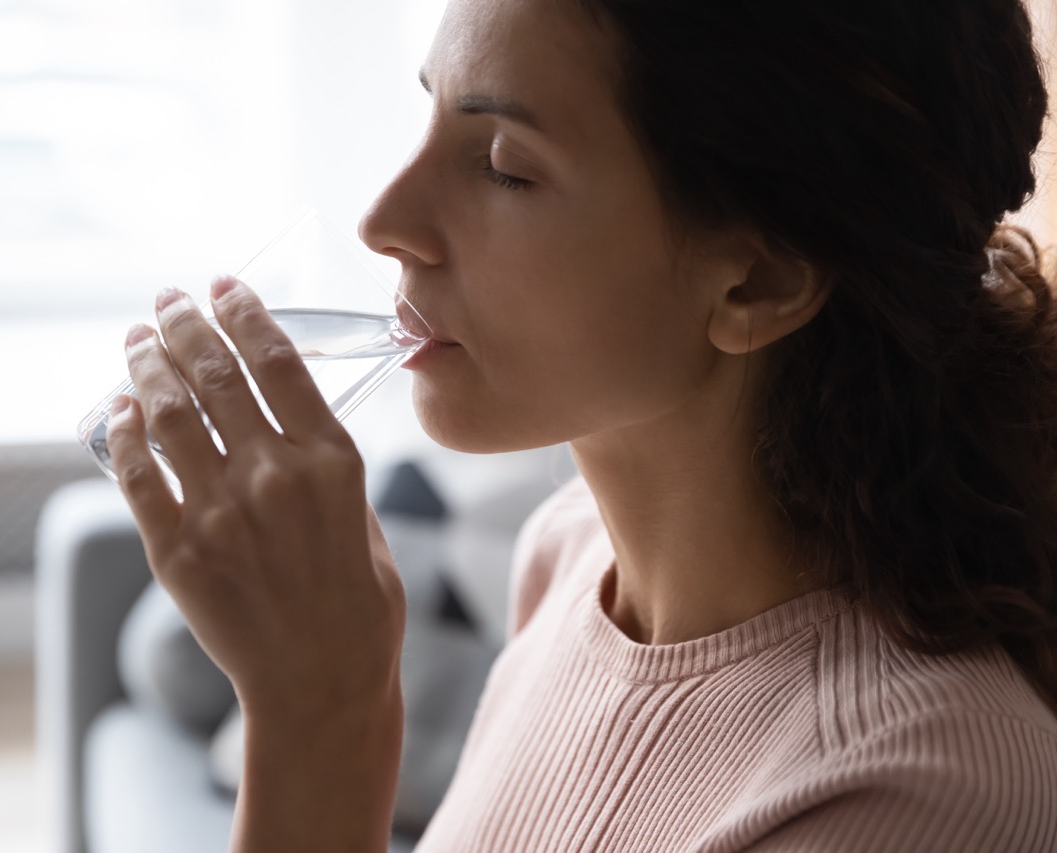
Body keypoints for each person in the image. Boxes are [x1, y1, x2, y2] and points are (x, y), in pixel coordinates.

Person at [103, 0, 1057, 849]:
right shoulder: (566, 557)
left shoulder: (911, 796)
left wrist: (320, 719)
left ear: (759, 281)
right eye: (429, 113)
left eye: (505, 167)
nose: (384, 220)